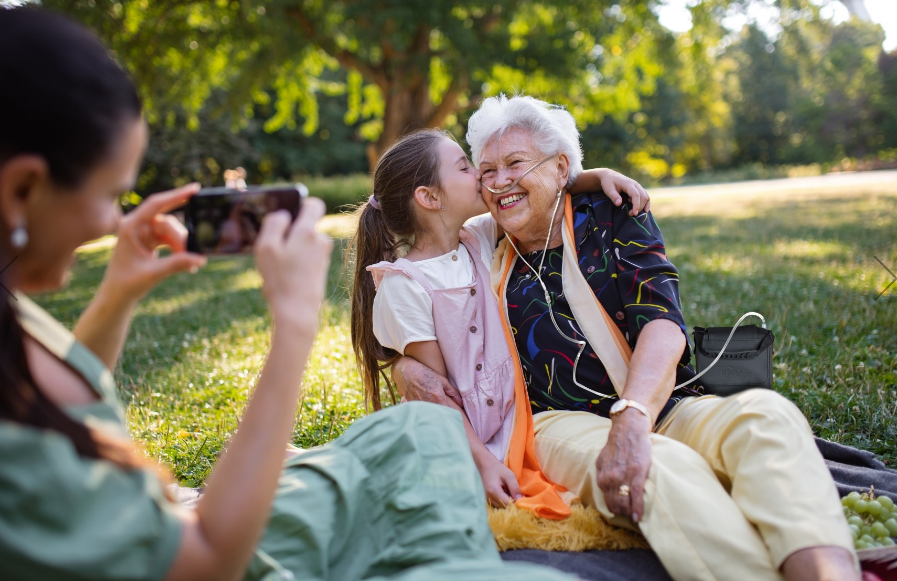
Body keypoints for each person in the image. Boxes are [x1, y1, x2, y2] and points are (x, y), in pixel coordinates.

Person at [0, 9, 579, 581]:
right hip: (227, 549)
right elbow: (204, 562)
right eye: (112, 194)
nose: (109, 223)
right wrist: (294, 325)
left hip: (229, 518)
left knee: (420, 434)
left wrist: (119, 290)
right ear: (22, 188)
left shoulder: (14, 319)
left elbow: (61, 403)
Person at [392, 95, 859, 581]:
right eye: (485, 171)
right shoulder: (478, 246)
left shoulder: (612, 212)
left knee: (767, 416)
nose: (498, 182)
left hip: (660, 401)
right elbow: (414, 289)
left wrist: (634, 414)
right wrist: (406, 365)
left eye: (514, 164)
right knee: (662, 471)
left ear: (560, 169)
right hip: (554, 422)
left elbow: (661, 321)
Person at [349, 129, 649, 511]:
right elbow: (438, 397)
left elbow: (537, 187)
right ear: (429, 197)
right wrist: (486, 464)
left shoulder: (478, 237)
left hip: (515, 422)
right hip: (460, 439)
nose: (480, 173)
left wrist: (598, 175)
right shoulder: (404, 286)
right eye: (464, 167)